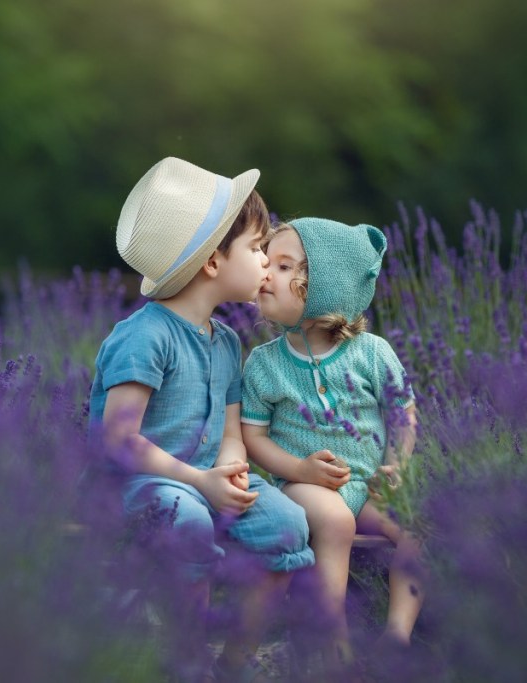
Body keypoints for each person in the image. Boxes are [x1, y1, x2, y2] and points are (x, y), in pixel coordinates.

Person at [88, 157, 315, 681]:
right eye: (258, 248)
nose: (266, 260)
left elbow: (232, 432)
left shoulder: (227, 342)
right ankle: (187, 660)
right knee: (186, 520)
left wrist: (231, 472)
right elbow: (119, 440)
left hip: (205, 480)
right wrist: (198, 481)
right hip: (139, 484)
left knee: (287, 524)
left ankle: (234, 661)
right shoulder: (145, 337)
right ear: (213, 262)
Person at [240, 217, 424, 665]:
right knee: (336, 522)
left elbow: (403, 415)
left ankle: (397, 633)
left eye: (284, 267)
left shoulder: (373, 353)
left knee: (421, 531)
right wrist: (299, 470)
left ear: (323, 285)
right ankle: (333, 642)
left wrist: (397, 465)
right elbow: (253, 436)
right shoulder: (264, 364)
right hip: (306, 486)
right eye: (267, 260)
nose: (265, 272)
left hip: (370, 483)